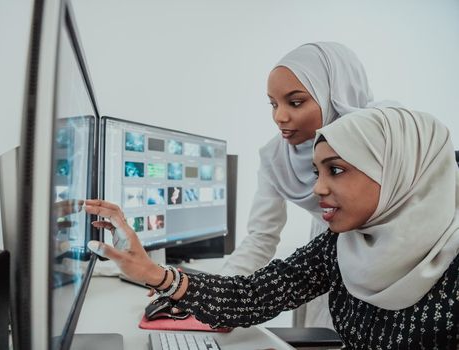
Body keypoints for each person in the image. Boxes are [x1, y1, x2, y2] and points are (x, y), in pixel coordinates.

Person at [84, 107, 459, 349]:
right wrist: (153, 273)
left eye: (337, 170)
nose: (318, 189)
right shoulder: (341, 244)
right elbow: (254, 295)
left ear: (398, 173)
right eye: (317, 172)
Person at [222, 41, 398, 327]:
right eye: (273, 104)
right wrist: (218, 296)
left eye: (295, 102)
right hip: (328, 255)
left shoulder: (386, 134)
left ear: (334, 95)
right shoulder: (276, 157)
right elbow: (260, 238)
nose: (279, 116)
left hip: (395, 263)